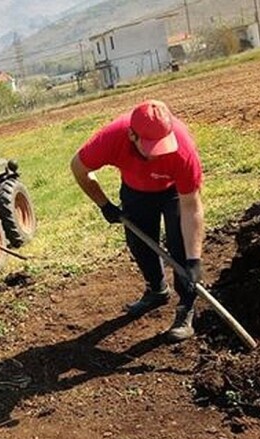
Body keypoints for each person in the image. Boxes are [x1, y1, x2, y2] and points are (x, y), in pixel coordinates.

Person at [70, 100, 204, 342]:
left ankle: (186, 307)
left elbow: (191, 206)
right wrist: (105, 205)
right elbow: (78, 168)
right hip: (136, 190)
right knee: (139, 244)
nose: (159, 153)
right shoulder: (112, 138)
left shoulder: (183, 150)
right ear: (132, 135)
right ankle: (157, 290)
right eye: (151, 147)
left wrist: (194, 259)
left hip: (173, 192)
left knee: (181, 249)